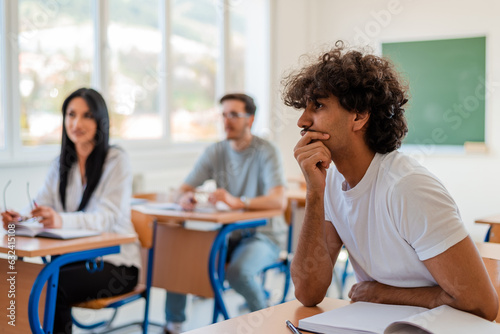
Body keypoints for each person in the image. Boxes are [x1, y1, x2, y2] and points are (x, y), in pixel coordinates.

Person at [282, 41, 498, 320]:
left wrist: (384, 293)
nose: (302, 120)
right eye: (304, 108)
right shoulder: (332, 181)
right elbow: (308, 292)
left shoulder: (407, 188)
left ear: (359, 116)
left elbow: (482, 305)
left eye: (318, 106)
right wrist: (315, 193)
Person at [1, 88, 141, 333]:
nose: (77, 123)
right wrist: (20, 218)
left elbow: (106, 218)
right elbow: (40, 204)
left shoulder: (116, 160)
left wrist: (59, 220)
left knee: (52, 284)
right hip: (75, 259)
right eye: (71, 114)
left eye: (87, 115)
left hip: (116, 264)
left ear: (100, 120)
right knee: (22, 278)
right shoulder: (61, 163)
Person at [164, 93, 287, 334]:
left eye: (234, 115)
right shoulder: (215, 152)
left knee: (238, 272)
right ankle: (174, 325)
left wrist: (237, 201)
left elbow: (279, 200)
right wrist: (183, 198)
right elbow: (181, 189)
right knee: (178, 259)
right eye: (223, 115)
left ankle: (268, 325)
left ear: (250, 120)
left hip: (264, 235)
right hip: (228, 236)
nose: (226, 121)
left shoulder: (266, 151)